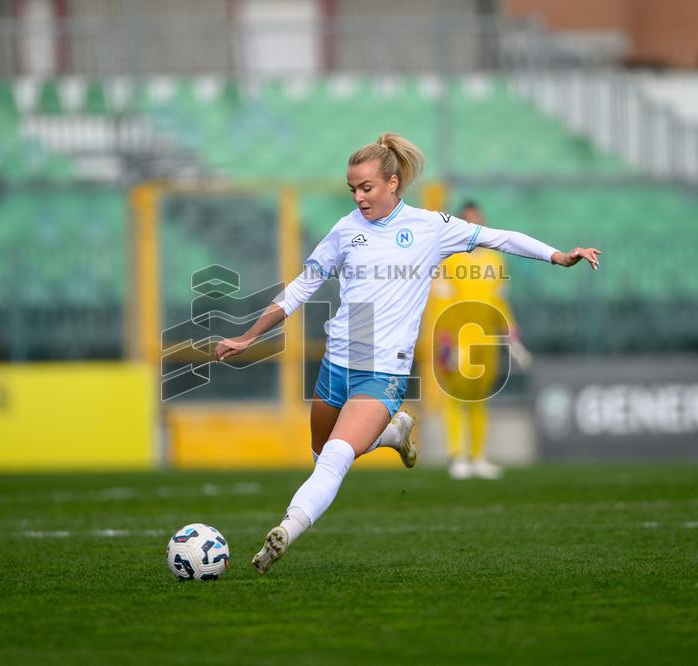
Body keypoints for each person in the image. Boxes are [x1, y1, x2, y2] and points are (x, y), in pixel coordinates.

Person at [214, 133, 601, 574]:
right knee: (322, 455)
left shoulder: (430, 227)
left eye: (367, 188)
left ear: (393, 183)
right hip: (337, 364)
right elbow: (303, 286)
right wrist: (249, 336)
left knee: (337, 459)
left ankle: (287, 529)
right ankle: (392, 434)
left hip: (383, 372)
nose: (358, 198)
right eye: (353, 189)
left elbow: (501, 238)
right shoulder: (344, 231)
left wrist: (558, 256)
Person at [427, 201, 534, 480]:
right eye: (469, 222)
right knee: (455, 396)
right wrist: (446, 342)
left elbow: (500, 300)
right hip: (458, 339)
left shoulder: (495, 261)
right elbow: (441, 302)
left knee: (479, 398)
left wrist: (511, 332)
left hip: (485, 339)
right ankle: (456, 456)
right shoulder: (448, 259)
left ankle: (477, 456)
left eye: (478, 221)